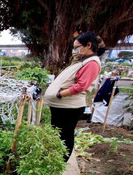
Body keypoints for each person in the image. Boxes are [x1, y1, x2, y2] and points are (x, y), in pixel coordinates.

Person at [44, 31, 106, 161]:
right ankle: (54, 159)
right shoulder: (83, 60)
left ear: (88, 45)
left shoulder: (92, 63)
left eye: (77, 47)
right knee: (57, 133)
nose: (74, 50)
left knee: (65, 135)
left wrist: (60, 94)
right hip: (62, 106)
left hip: (70, 107)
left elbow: (81, 86)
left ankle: (61, 162)